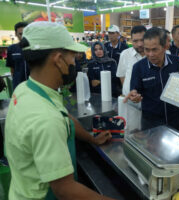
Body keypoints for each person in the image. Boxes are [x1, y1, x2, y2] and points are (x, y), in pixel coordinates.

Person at [5, 22, 113, 200]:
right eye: (72, 56)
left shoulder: (27, 89)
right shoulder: (46, 120)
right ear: (58, 60)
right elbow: (65, 190)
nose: (75, 61)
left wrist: (91, 138)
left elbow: (66, 117)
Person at [124, 27, 179, 131]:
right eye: (147, 50)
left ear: (165, 47)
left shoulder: (177, 62)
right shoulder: (138, 67)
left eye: (155, 49)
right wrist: (134, 96)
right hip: (151, 124)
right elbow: (135, 90)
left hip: (176, 121)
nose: (150, 55)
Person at [117, 25, 146, 96]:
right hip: (130, 100)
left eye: (142, 40)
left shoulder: (154, 55)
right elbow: (122, 76)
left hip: (149, 100)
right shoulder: (125, 54)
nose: (139, 44)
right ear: (131, 41)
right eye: (135, 41)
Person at [6, 22, 30, 90]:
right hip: (18, 85)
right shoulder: (11, 49)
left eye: (26, 33)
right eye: (20, 34)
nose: (23, 36)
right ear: (15, 34)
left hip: (34, 85)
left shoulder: (35, 48)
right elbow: (12, 69)